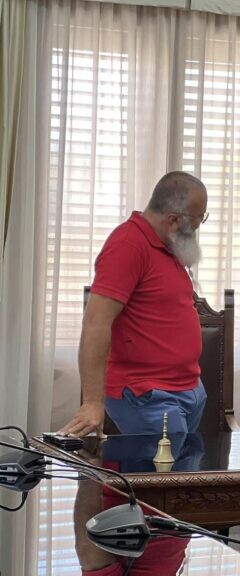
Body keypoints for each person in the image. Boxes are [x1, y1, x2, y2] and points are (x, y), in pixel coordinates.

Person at [59, 171, 209, 437]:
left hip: (187, 389)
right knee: (164, 466)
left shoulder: (169, 245)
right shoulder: (127, 245)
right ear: (174, 220)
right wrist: (92, 402)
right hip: (148, 394)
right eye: (198, 220)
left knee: (184, 465)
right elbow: (95, 324)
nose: (197, 228)